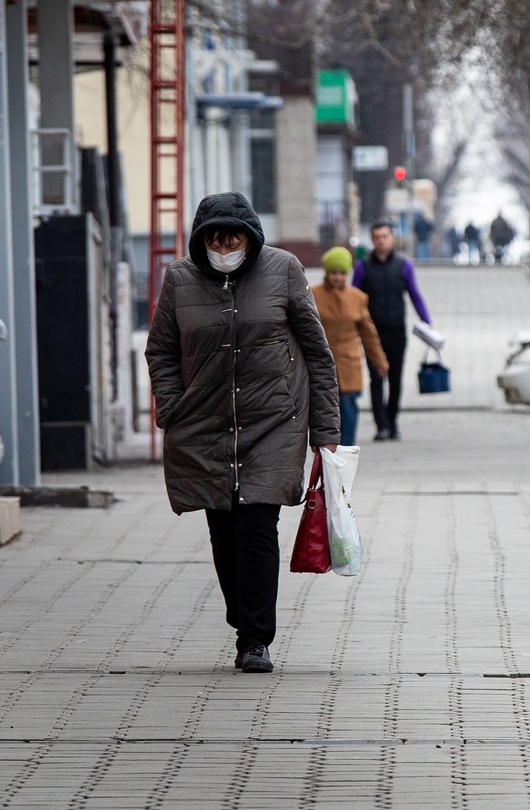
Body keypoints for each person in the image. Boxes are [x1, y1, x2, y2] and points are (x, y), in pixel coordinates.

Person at [146, 192, 341, 673]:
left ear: (251, 236)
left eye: (233, 236)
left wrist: (326, 429)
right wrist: (172, 408)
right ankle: (243, 616)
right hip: (205, 424)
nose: (224, 245)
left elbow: (317, 352)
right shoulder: (179, 280)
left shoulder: (284, 269)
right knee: (223, 529)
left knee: (256, 526)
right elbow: (162, 352)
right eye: (215, 237)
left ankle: (255, 639)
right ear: (200, 240)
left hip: (272, 422)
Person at [352, 220, 432, 441]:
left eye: (384, 236)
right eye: (377, 237)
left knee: (395, 379)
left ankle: (393, 422)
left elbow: (415, 294)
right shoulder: (363, 267)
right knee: (376, 379)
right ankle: (381, 426)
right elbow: (353, 298)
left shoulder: (403, 265)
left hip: (397, 330)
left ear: (392, 238)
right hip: (372, 334)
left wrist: (426, 320)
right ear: (372, 240)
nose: (381, 241)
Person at [312, 246, 389, 446]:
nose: (337, 277)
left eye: (342, 273)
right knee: (324, 410)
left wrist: (379, 360)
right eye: (333, 272)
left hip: (349, 363)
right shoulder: (312, 295)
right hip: (321, 364)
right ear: (326, 272)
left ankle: (345, 452)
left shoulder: (357, 298)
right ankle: (327, 451)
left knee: (348, 408)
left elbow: (368, 333)